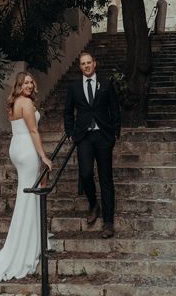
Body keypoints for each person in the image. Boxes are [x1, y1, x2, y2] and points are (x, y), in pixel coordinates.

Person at [0, 71, 53, 282]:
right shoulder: (26, 104)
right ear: (19, 85)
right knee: (30, 194)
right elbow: (34, 132)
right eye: (25, 82)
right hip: (27, 149)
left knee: (26, 194)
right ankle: (25, 245)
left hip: (17, 147)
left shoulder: (14, 103)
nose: (29, 85)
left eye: (31, 82)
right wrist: (44, 156)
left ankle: (32, 237)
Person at [64, 51, 121, 239]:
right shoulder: (74, 87)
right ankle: (93, 203)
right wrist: (71, 133)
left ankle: (108, 222)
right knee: (86, 173)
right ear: (79, 66)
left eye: (89, 62)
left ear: (94, 64)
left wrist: (115, 133)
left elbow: (114, 108)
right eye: (83, 63)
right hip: (84, 138)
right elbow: (67, 112)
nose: (86, 66)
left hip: (104, 136)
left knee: (106, 178)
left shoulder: (105, 83)